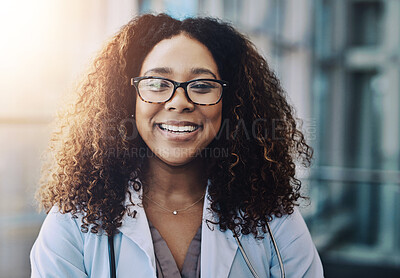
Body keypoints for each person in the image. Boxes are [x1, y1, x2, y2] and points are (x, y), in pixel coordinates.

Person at [30, 13, 324, 278]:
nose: (180, 102)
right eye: (157, 83)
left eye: (202, 86)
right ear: (126, 100)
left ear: (231, 104)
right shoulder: (73, 221)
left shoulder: (274, 219)